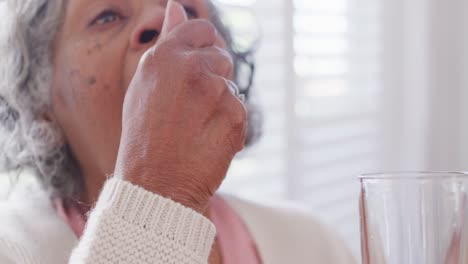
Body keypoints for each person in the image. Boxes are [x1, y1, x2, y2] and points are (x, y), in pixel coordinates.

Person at [0, 0, 356, 263]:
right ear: (38, 101)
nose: (163, 17)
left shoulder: (314, 244)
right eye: (107, 17)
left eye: (187, 6)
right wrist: (159, 192)